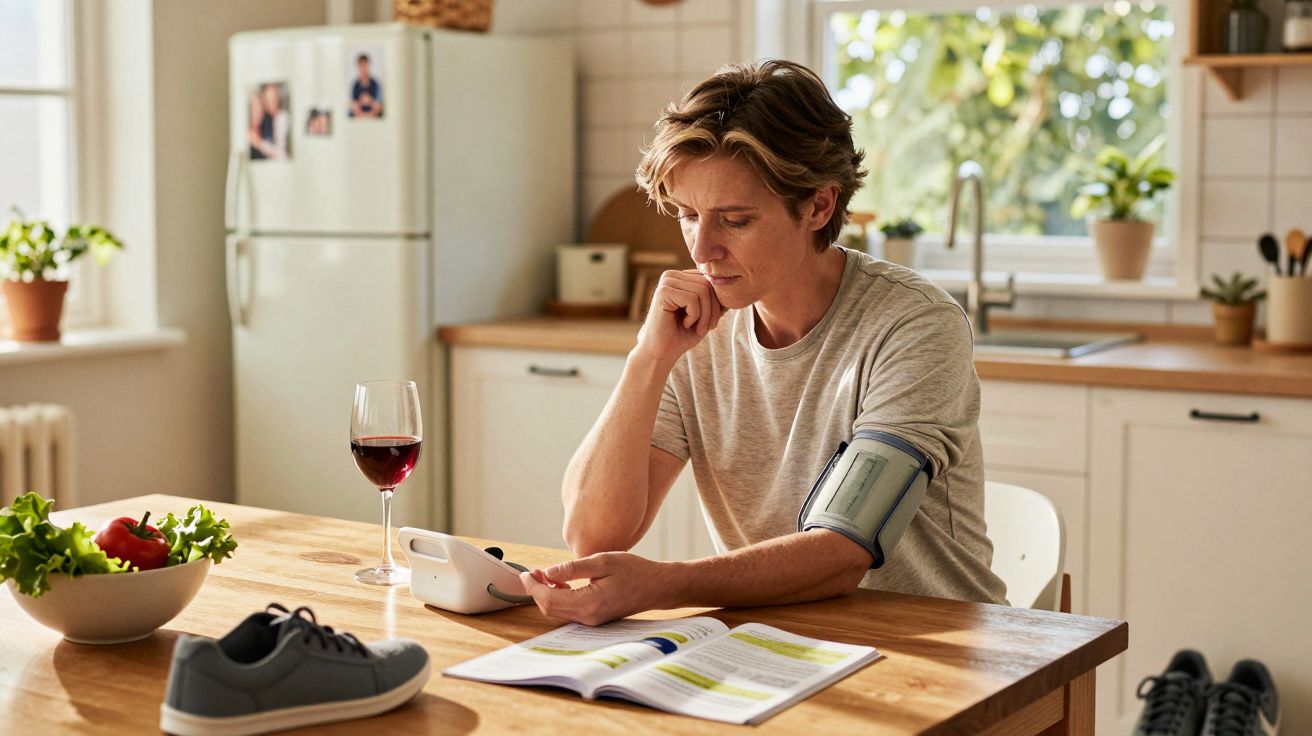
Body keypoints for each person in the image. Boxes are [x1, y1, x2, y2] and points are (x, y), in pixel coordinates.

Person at [518, 60, 1008, 625]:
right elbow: (592, 533)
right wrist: (647, 360)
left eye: (735, 220)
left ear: (819, 206)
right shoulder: (694, 326)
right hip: (776, 640)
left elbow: (842, 550)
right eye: (688, 215)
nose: (702, 249)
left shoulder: (913, 325)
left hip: (935, 648)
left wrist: (662, 585)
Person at [249, 83, 289, 160]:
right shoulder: (266, 121)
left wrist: (258, 142)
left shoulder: (280, 118)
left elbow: (282, 154)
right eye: (267, 98)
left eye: (273, 98)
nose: (259, 112)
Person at [350, 54, 383, 118]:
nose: (363, 68)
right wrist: (361, 101)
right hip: (359, 119)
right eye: (361, 65)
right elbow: (353, 107)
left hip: (373, 119)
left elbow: (378, 106)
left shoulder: (375, 84)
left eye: (365, 65)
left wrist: (370, 101)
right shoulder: (355, 85)